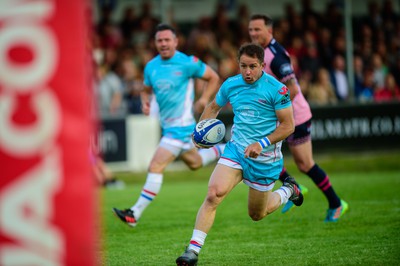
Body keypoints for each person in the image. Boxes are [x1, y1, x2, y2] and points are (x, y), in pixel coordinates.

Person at [176, 43, 303, 266]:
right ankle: (192, 251)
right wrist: (201, 132)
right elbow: (214, 107)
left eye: (253, 66)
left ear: (263, 65)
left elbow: (288, 125)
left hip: (265, 159)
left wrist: (262, 143)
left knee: (257, 214)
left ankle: (289, 190)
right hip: (236, 151)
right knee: (214, 194)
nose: (247, 72)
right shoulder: (231, 85)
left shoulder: (277, 89)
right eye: (243, 66)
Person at [112, 23, 224, 227]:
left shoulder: (187, 62)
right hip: (169, 126)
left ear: (175, 42)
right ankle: (224, 148)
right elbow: (146, 89)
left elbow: (213, 77)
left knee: (156, 165)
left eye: (167, 40)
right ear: (155, 43)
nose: (163, 43)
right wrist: (146, 101)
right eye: (159, 40)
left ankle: (134, 213)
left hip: (180, 127)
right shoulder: (151, 66)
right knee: (195, 163)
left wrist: (205, 99)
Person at [248, 14, 348, 221]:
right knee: (261, 153)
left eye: (257, 29)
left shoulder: (275, 56)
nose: (253, 33)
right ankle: (293, 185)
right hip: (279, 116)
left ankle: (336, 203)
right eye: (251, 30)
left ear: (270, 31)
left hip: (296, 115)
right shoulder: (261, 53)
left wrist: (272, 110)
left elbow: (292, 88)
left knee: (305, 164)